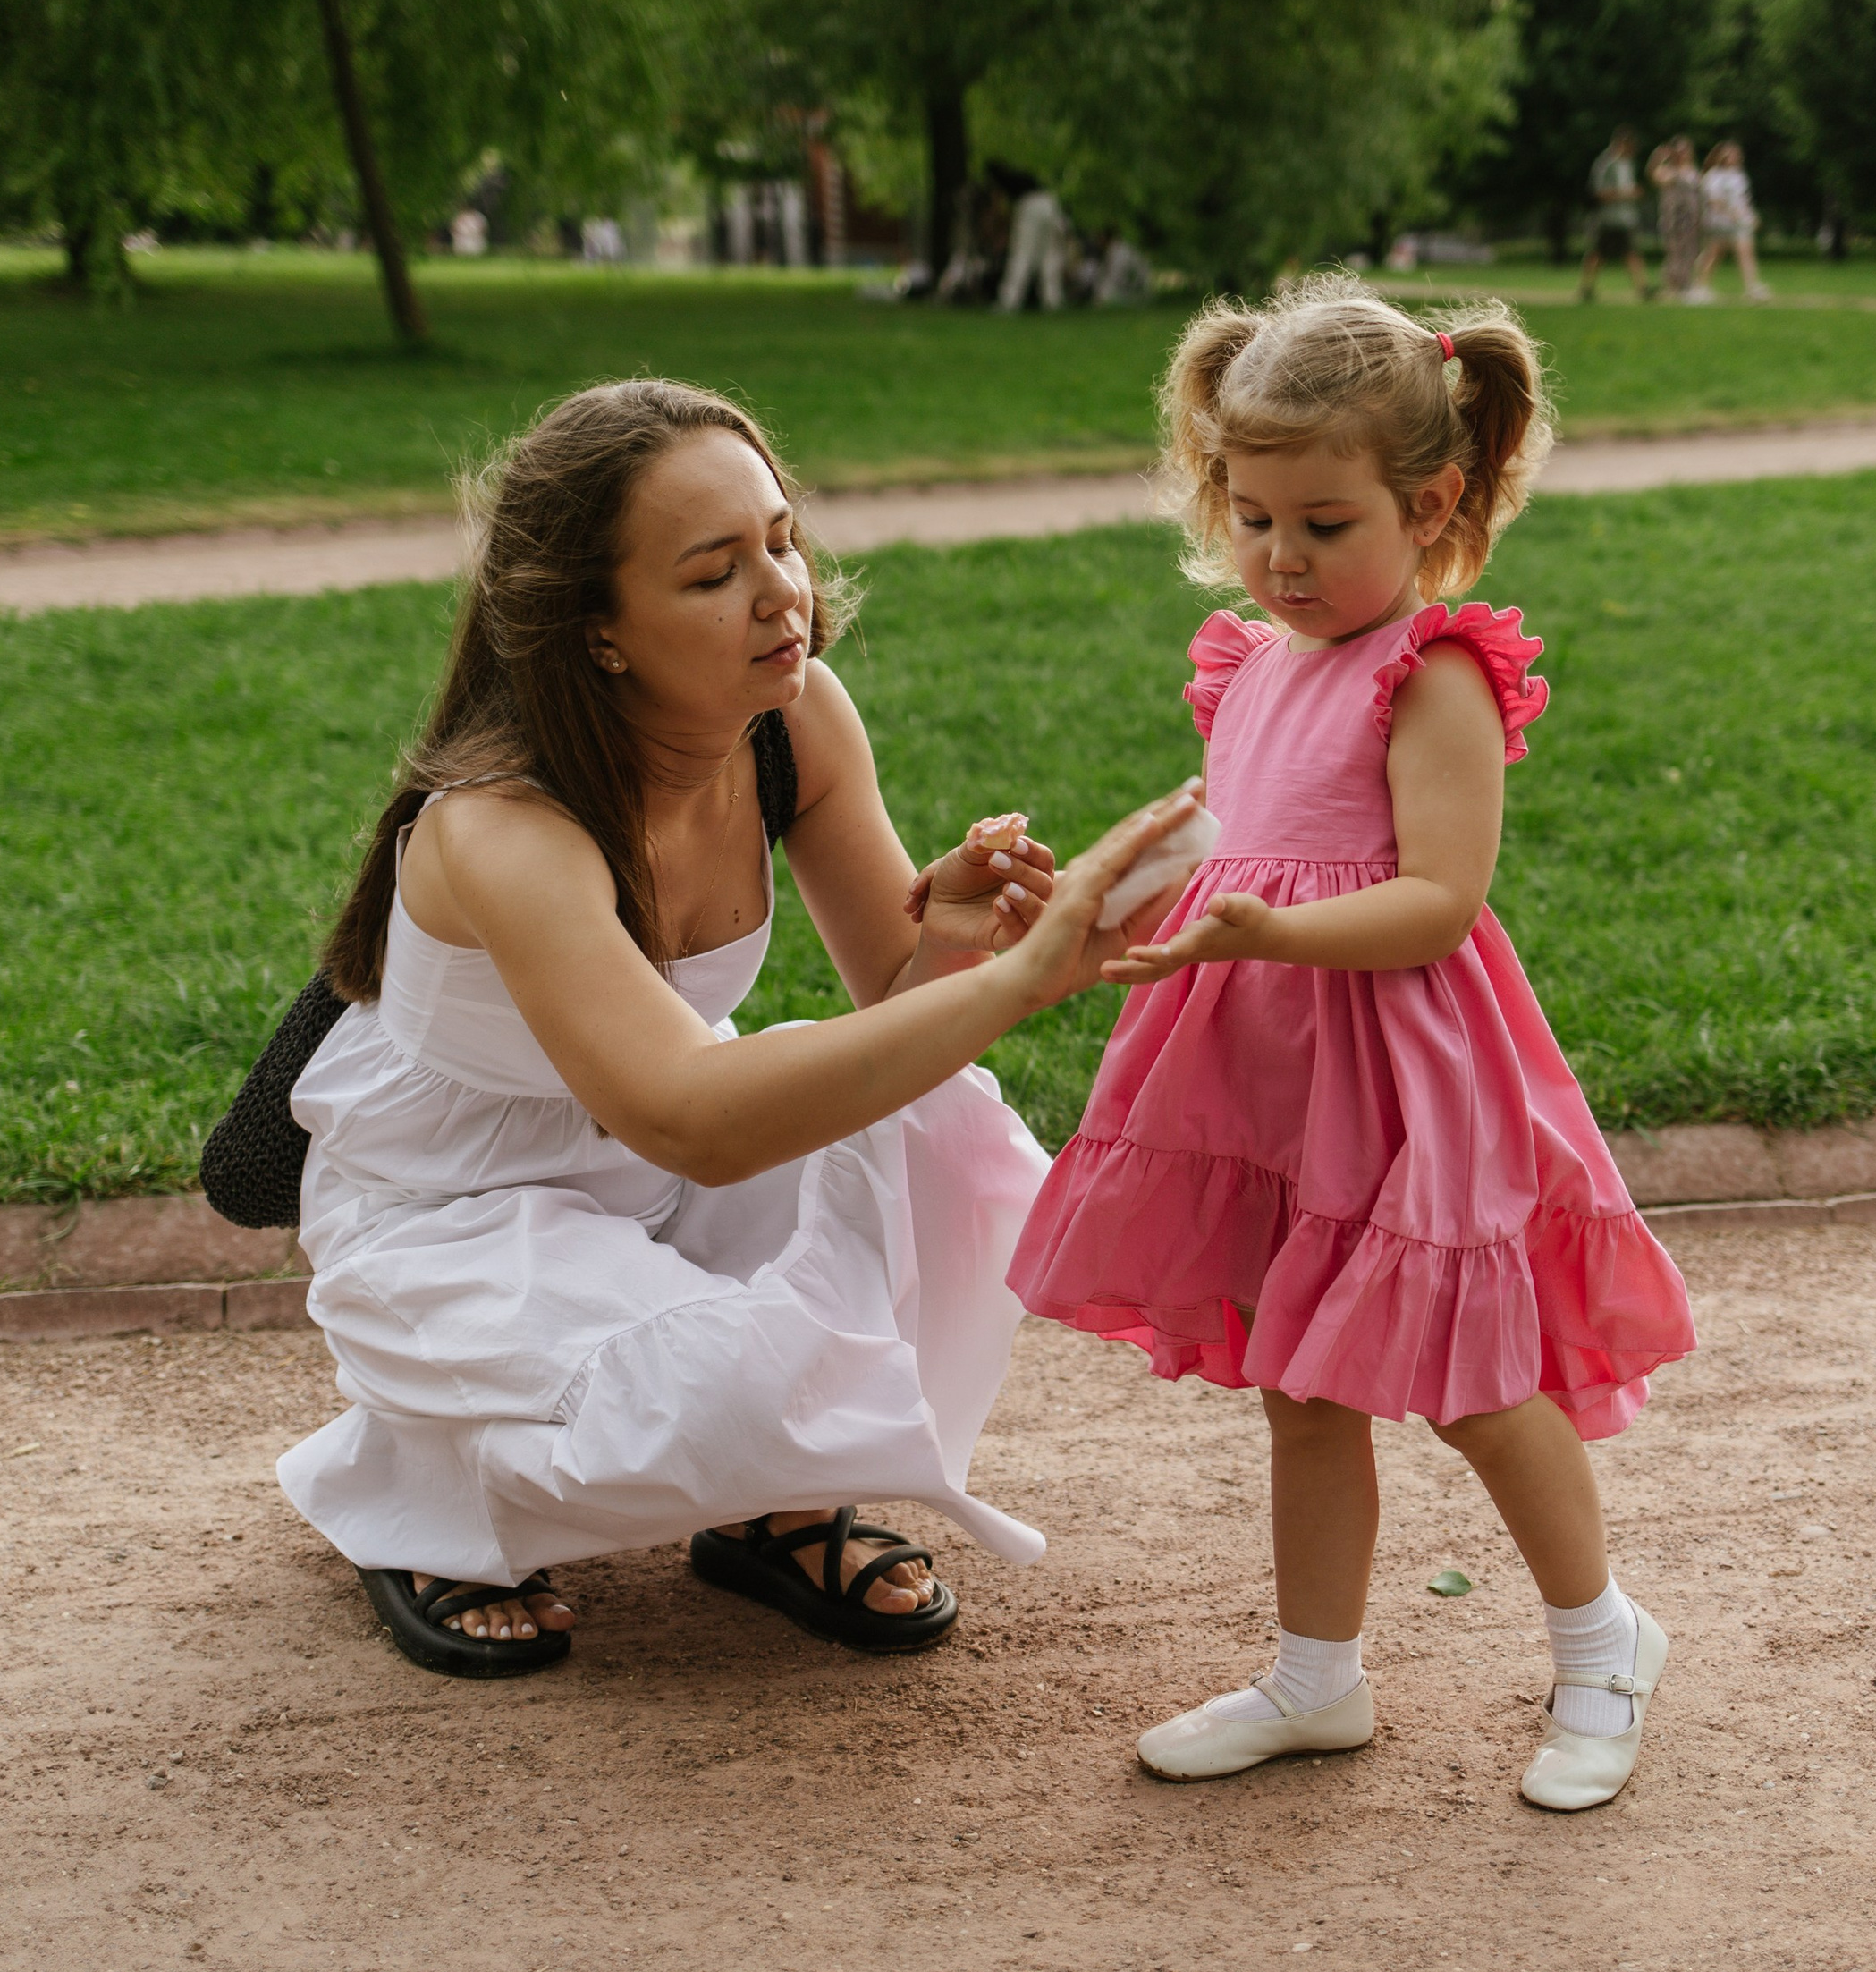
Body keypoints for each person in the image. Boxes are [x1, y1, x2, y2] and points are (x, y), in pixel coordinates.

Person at [277, 377, 1204, 1678]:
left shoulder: (795, 717)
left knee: (951, 1136)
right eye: (715, 573)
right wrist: (1024, 980)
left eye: (781, 540)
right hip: (456, 1217)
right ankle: (424, 1494)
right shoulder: (500, 827)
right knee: (715, 1391)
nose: (782, 593)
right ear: (597, 630)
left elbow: (891, 1006)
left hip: (653, 1172)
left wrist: (947, 943)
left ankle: (768, 1507)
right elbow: (689, 1120)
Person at [1009, 278, 1697, 1810]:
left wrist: (1269, 936)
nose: (1281, 558)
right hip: (1270, 1075)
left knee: (1471, 1377)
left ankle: (1604, 1642)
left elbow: (1437, 905)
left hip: (1400, 1076)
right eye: (1253, 517)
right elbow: (1236, 849)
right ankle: (1316, 1677)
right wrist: (1119, 903)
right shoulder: (1252, 662)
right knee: (1297, 1377)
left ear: (1432, 500)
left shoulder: (1432, 673)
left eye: (1323, 524)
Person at [1576, 129, 1651, 303]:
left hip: (1625, 218)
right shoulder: (1606, 163)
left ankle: (1643, 288)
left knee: (1631, 252)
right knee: (1598, 253)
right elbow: (1599, 192)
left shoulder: (1627, 163)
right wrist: (1627, 194)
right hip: (1608, 219)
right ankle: (1586, 287)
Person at [1694, 141, 1773, 300]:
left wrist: (1750, 216)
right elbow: (1713, 200)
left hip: (1739, 223)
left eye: (1735, 154)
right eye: (1729, 155)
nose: (1733, 158)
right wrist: (1732, 213)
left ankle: (1752, 287)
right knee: (1713, 255)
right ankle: (1700, 288)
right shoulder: (1713, 175)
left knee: (1746, 253)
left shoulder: (1739, 175)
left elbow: (1743, 200)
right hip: (1719, 223)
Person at [1648, 136, 1704, 301]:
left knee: (1691, 252)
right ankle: (1673, 286)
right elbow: (1654, 176)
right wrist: (1657, 158)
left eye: (1685, 150)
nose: (1682, 154)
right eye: (1679, 151)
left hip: (1692, 219)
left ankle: (1686, 284)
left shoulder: (1693, 171)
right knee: (1675, 252)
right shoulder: (1668, 171)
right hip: (1674, 219)